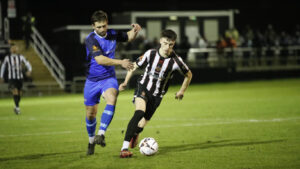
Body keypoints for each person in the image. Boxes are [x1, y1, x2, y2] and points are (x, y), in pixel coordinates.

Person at [118, 29, 193, 158]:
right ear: (160, 41)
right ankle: (124, 148)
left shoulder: (176, 61)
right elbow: (134, 66)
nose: (167, 47)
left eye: (171, 45)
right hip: (143, 87)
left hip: (157, 96)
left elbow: (189, 74)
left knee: (142, 123)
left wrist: (182, 91)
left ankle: (136, 132)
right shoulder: (150, 54)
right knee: (140, 111)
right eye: (165, 43)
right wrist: (125, 82)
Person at [84, 10, 141, 155]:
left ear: (107, 23)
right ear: (93, 26)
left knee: (112, 97)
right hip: (92, 80)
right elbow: (100, 59)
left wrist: (135, 30)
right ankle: (91, 142)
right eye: (99, 27)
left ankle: (101, 134)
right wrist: (120, 62)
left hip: (108, 78)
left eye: (104, 26)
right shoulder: (91, 39)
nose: (102, 30)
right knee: (91, 113)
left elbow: (128, 37)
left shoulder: (112, 33)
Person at [0, 43, 32, 114]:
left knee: (19, 93)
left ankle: (16, 105)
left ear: (17, 49)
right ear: (11, 49)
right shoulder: (7, 58)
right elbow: (3, 67)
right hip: (11, 78)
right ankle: (17, 108)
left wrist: (29, 70)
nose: (14, 49)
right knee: (15, 91)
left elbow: (27, 63)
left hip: (19, 78)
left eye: (15, 48)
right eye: (13, 48)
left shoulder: (21, 57)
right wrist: (1, 76)